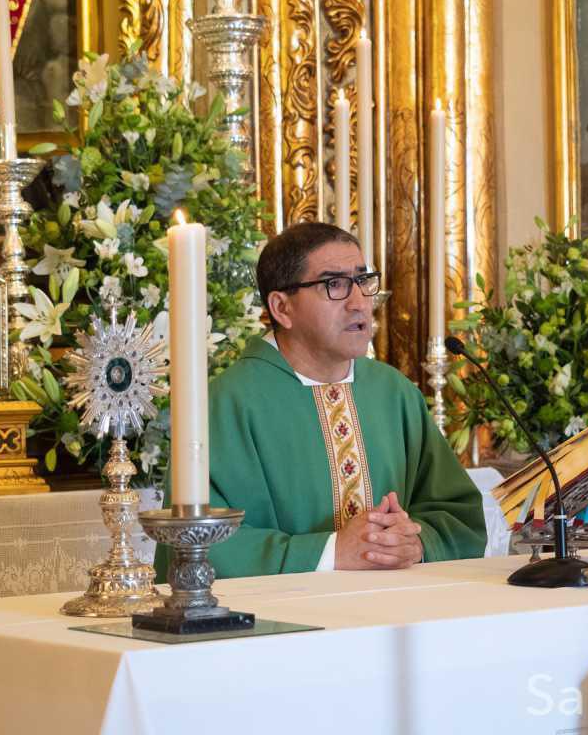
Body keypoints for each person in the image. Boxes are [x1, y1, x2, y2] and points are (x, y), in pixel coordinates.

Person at [156, 223, 485, 579]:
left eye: (363, 281)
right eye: (335, 284)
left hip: (397, 619)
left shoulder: (393, 392)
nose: (359, 302)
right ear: (282, 308)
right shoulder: (227, 404)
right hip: (282, 628)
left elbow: (456, 514)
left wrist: (418, 544)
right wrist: (331, 551)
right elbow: (195, 543)